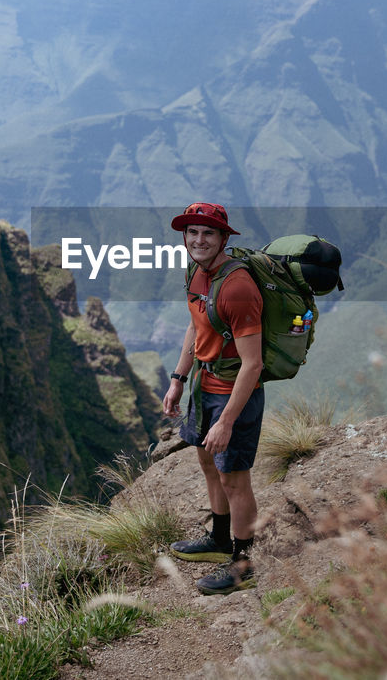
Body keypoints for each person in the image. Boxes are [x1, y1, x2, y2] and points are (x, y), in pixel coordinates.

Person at [162, 202, 265, 595]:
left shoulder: (237, 287)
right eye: (192, 233)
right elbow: (196, 327)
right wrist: (178, 378)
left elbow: (252, 365)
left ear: (224, 238)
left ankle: (243, 563)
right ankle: (220, 539)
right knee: (208, 463)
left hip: (233, 394)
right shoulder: (198, 274)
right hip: (202, 386)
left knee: (234, 479)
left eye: (208, 233)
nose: (198, 239)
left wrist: (226, 421)